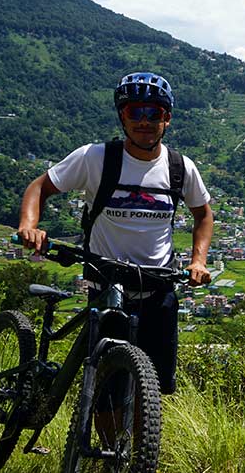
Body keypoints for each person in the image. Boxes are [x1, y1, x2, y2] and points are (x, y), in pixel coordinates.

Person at [17, 72, 214, 395]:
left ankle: (137, 449)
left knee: (151, 390)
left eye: (155, 113)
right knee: (108, 390)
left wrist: (199, 261)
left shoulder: (181, 168)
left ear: (167, 119)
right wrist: (29, 226)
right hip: (107, 285)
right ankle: (108, 445)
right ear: (122, 115)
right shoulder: (96, 158)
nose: (144, 121)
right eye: (135, 111)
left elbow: (203, 214)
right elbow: (40, 187)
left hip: (158, 287)